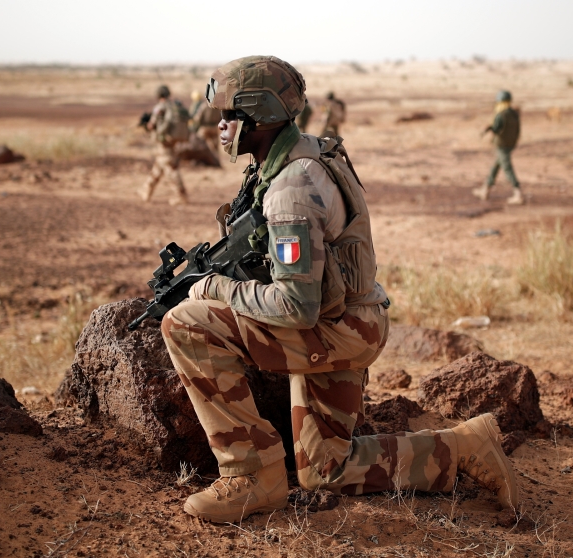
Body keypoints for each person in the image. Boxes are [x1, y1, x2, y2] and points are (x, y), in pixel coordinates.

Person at [159, 55, 519, 524]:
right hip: (354, 318)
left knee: (186, 323)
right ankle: (464, 445)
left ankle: (252, 475)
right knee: (326, 469)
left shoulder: (290, 190)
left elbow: (296, 306)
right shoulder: (303, 152)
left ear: (260, 115)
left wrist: (217, 288)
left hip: (335, 329)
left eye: (230, 114)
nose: (220, 125)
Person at [140, 85, 188, 205]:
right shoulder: (173, 106)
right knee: (158, 168)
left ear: (158, 95)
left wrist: (147, 125)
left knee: (171, 169)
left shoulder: (160, 107)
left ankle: (181, 196)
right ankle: (146, 191)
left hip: (164, 143)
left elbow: (152, 124)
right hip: (171, 142)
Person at [474, 90, 523, 205]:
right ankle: (485, 189)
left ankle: (518, 194)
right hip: (511, 144)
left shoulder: (500, 115)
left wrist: (488, 128)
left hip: (502, 145)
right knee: (495, 167)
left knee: (507, 168)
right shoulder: (514, 113)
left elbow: (496, 129)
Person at [190, 90, 222, 154]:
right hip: (214, 128)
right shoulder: (217, 106)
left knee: (199, 142)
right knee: (215, 147)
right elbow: (221, 117)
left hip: (205, 128)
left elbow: (198, 118)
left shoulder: (204, 106)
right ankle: (216, 157)